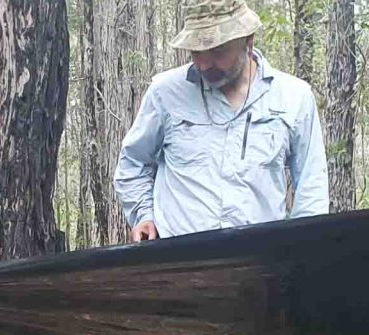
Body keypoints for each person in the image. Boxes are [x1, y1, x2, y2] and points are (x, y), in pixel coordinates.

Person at [114, 0, 328, 241]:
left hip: (259, 263)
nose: (204, 64)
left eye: (216, 51)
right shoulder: (165, 93)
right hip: (179, 264)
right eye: (196, 51)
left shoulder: (293, 97)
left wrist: (303, 252)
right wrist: (143, 214)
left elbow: (312, 190)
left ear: (248, 40)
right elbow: (132, 163)